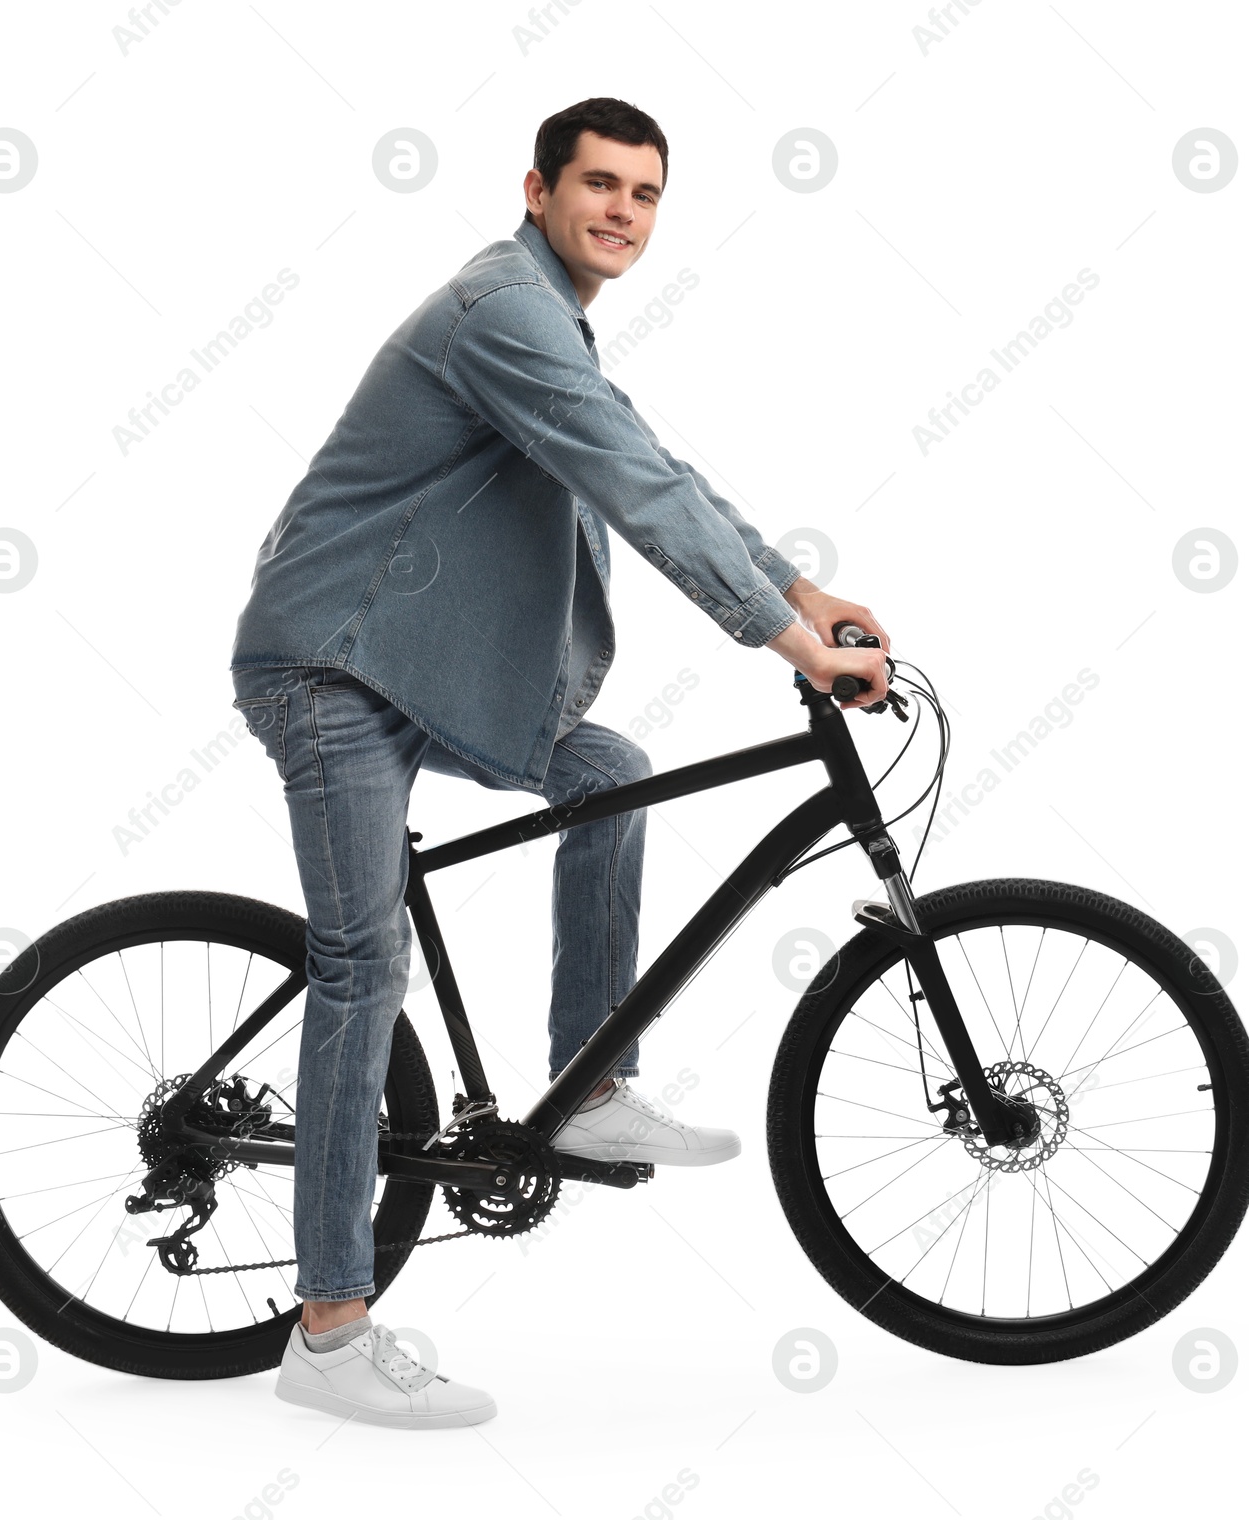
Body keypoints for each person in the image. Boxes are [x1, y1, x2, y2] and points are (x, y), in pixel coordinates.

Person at [228, 97, 890, 1429]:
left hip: (415, 659)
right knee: (364, 961)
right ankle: (329, 1332)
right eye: (600, 185)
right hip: (330, 664)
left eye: (646, 195)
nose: (623, 214)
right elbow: (633, 491)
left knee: (613, 771)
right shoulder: (502, 310)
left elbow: (653, 462)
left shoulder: (549, 318)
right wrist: (786, 648)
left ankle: (587, 1085)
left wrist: (803, 588)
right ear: (536, 189)